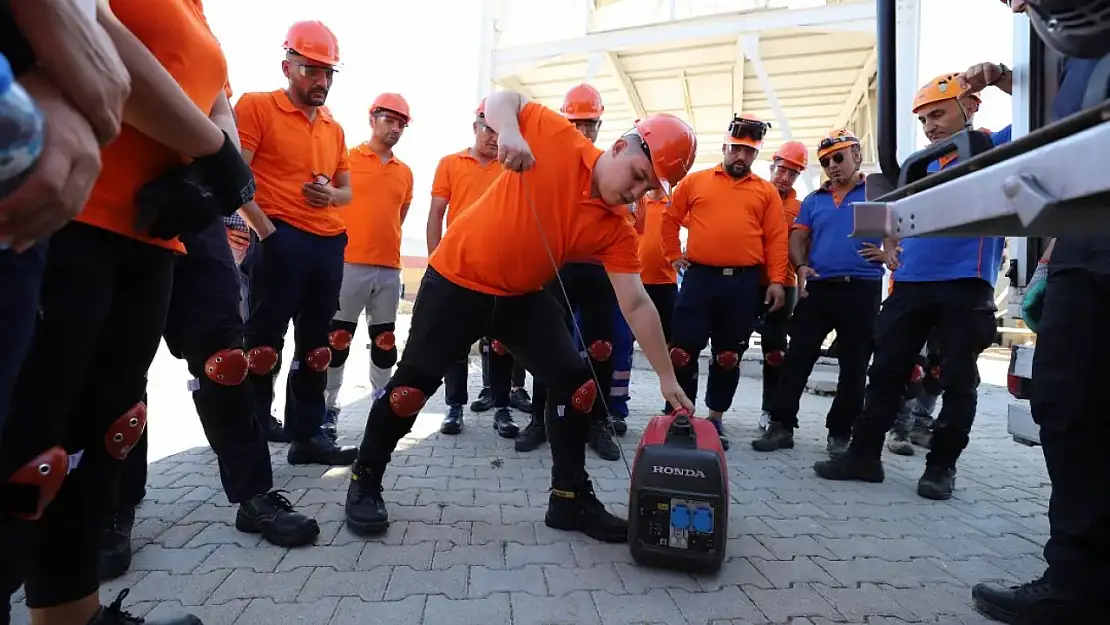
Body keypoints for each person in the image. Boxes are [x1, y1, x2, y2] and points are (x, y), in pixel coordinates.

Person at [343, 90, 697, 542]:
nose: (636, 191)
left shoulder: (616, 229)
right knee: (410, 390)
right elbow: (502, 97)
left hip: (521, 298)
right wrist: (509, 131)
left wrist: (667, 379)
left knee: (578, 385)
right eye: (638, 176)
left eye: (648, 188)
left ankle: (569, 499)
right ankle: (365, 481)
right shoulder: (558, 140)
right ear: (620, 147)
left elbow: (636, 303)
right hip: (456, 283)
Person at [1, 0, 257, 623]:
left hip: (152, 233)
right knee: (24, 454)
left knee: (98, 443)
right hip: (68, 213)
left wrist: (214, 165)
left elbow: (207, 87)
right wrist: (213, 148)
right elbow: (87, 40)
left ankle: (73, 614)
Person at [812, 70, 1011, 500]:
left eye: (938, 114)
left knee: (957, 378)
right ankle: (864, 456)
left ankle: (941, 467)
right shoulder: (916, 167)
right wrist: (888, 251)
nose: (930, 126)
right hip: (909, 285)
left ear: (970, 107)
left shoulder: (992, 146)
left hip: (965, 281)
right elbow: (891, 220)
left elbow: (1045, 113)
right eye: (923, 119)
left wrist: (1000, 77)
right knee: (884, 372)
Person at [970, 2, 1108, 618]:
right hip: (1085, 247)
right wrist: (1054, 251)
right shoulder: (1077, 57)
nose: (1020, 7)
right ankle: (1076, 580)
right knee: (1068, 403)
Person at [234, 20, 357, 465]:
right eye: (311, 70)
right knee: (263, 346)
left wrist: (331, 196)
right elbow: (234, 177)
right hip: (279, 237)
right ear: (287, 66)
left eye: (328, 73)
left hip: (328, 242)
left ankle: (307, 437)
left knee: (317, 347)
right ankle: (250, 435)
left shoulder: (333, 127)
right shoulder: (256, 107)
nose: (321, 81)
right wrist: (267, 233)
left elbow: (347, 191)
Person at [752, 130, 888, 455]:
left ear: (856, 154)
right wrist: (799, 267)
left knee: (855, 366)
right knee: (797, 358)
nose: (832, 166)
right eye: (826, 162)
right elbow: (798, 237)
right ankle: (781, 426)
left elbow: (894, 229)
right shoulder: (814, 200)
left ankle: (840, 433)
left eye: (838, 157)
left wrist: (890, 253)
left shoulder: (872, 192)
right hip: (819, 289)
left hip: (861, 289)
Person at [514, 83, 624, 460]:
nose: (582, 132)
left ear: (599, 125)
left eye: (589, 124)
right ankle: (541, 419)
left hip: (595, 267)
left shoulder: (606, 164)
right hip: (554, 264)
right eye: (575, 123)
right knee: (548, 342)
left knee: (601, 348)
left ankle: (598, 421)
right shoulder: (548, 160)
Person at [662, 114, 789, 441]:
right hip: (699, 278)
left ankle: (715, 419)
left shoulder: (766, 192)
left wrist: (776, 280)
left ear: (755, 156)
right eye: (735, 149)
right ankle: (680, 413)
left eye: (748, 152)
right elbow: (669, 217)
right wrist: (673, 254)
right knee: (683, 350)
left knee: (728, 355)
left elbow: (776, 238)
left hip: (743, 284)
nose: (740, 157)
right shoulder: (696, 181)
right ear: (724, 147)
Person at [429, 97, 519, 436]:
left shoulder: (510, 167)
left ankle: (502, 408)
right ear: (475, 128)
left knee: (499, 342)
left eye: (499, 131)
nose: (493, 138)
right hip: (457, 267)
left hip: (499, 267)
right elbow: (437, 213)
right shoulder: (450, 163)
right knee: (454, 343)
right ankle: (454, 408)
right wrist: (434, 260)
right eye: (487, 129)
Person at [325, 93, 414, 437]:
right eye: (389, 120)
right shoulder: (346, 159)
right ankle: (328, 407)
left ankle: (381, 405)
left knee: (384, 340)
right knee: (338, 338)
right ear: (372, 119)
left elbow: (398, 217)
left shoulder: (405, 172)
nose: (394, 128)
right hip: (348, 264)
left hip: (388, 268)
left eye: (401, 124)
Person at [751, 140, 808, 431]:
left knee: (775, 352)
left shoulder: (801, 208)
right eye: (782, 170)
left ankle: (770, 411)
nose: (785, 177)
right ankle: (715, 413)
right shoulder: (754, 194)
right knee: (729, 348)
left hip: (784, 285)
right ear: (772, 167)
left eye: (793, 173)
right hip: (748, 281)